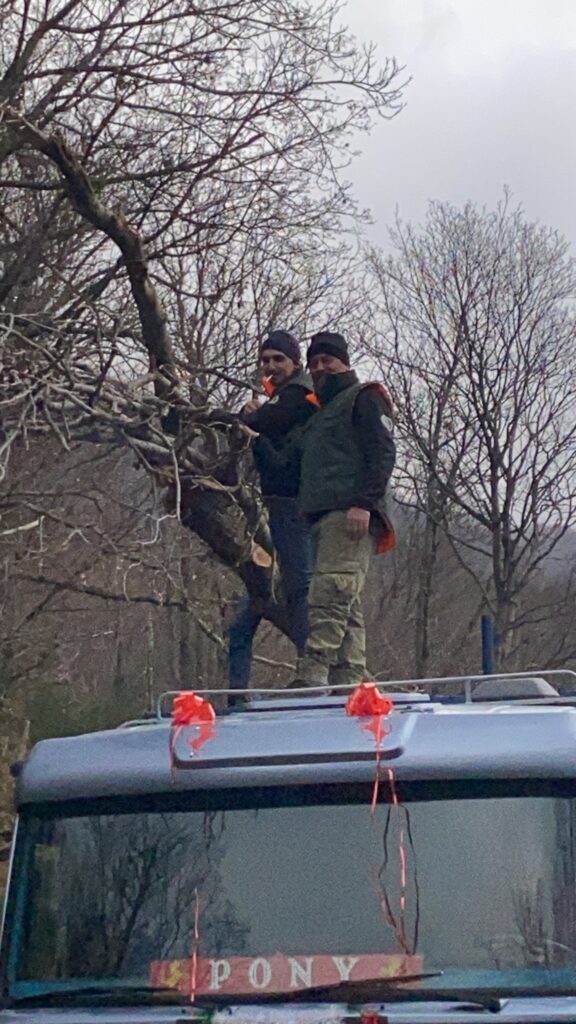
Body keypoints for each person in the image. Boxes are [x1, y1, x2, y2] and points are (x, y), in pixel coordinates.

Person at [291, 331, 396, 689]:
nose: (320, 368)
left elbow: (382, 452)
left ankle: (313, 671)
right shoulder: (319, 413)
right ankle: (350, 677)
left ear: (344, 363)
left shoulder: (362, 398)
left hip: (348, 514)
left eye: (328, 361)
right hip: (321, 515)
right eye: (314, 363)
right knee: (345, 602)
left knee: (331, 592)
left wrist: (363, 504)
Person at [228, 330, 316, 693]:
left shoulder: (300, 395)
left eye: (278, 359)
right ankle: (237, 695)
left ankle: (314, 671)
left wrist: (255, 428)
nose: (270, 366)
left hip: (294, 503)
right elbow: (252, 421)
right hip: (277, 507)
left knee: (300, 586)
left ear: (295, 362)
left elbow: (260, 427)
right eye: (265, 360)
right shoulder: (279, 398)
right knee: (257, 605)